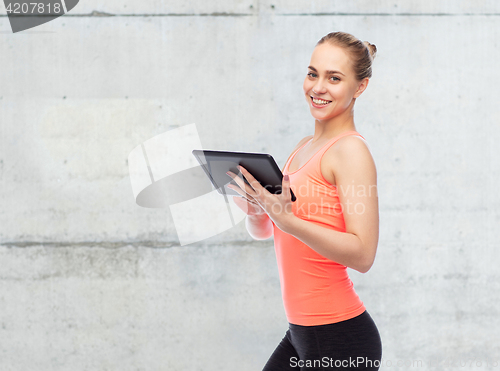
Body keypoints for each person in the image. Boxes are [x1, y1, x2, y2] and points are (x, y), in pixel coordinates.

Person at [227, 31, 382, 370]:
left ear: (360, 87)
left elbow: (363, 254)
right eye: (313, 74)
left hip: (341, 337)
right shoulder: (301, 148)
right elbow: (268, 231)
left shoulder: (351, 151)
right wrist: (257, 210)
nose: (318, 87)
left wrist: (288, 221)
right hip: (301, 334)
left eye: (334, 78)